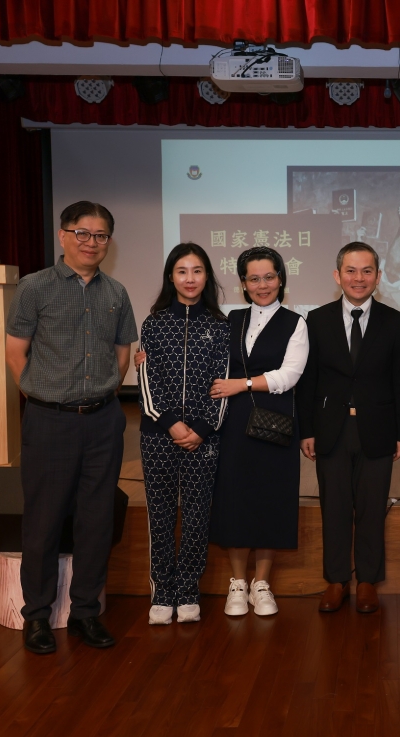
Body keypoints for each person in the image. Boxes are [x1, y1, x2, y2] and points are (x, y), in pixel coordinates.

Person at [5, 201, 137, 654]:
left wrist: (101, 395)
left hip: (103, 421)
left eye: (100, 235)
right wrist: (44, 398)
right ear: (63, 235)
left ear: (108, 242)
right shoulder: (34, 287)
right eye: (82, 233)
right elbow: (15, 353)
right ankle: (37, 616)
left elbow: (122, 354)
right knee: (42, 521)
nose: (91, 243)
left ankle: (85, 612)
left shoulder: (116, 292)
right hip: (49, 421)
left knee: (96, 521)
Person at [297, 242, 400, 615]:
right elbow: (308, 381)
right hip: (330, 428)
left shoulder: (395, 321)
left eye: (366, 271)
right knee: (334, 507)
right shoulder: (317, 320)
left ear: (378, 277)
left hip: (378, 429)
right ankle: (335, 580)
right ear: (337, 276)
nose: (358, 278)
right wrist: (306, 429)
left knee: (371, 508)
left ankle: (367, 581)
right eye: (351, 270)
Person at [208, 247, 308, 617]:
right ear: (243, 284)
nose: (262, 285)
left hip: (275, 422)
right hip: (233, 423)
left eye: (269, 277)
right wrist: (148, 357)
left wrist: (242, 384)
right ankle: (237, 583)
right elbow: (206, 359)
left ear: (281, 278)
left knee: (271, 499)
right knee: (235, 498)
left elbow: (289, 375)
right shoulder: (230, 320)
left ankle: (261, 584)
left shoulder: (296, 323)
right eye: (253, 278)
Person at [135, 243, 230, 626]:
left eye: (197, 271)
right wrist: (171, 423)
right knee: (159, 515)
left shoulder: (220, 326)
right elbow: (147, 382)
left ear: (207, 276)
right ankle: (162, 591)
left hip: (204, 438)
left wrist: (202, 429)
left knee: (196, 516)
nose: (190, 279)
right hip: (158, 435)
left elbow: (222, 383)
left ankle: (188, 590)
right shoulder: (153, 323)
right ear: (171, 277)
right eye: (182, 271)